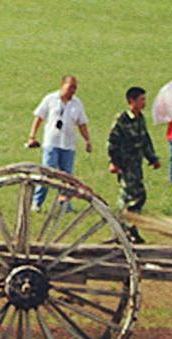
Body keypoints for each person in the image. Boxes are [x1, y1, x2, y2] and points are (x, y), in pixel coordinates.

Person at [26, 75, 91, 211]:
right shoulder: (50, 99)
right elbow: (39, 118)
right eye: (70, 87)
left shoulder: (77, 104)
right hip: (52, 142)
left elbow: (82, 124)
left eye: (75, 88)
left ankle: (65, 203)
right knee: (47, 172)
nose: (72, 90)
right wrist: (32, 136)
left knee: (66, 176)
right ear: (62, 85)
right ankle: (37, 202)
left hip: (68, 144)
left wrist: (87, 140)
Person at [106, 86, 160, 236]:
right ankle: (123, 228)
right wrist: (113, 162)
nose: (144, 103)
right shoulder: (122, 120)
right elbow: (112, 142)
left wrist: (152, 158)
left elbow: (145, 140)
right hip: (125, 164)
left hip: (136, 164)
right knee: (132, 194)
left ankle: (128, 227)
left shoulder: (140, 118)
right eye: (141, 99)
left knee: (135, 195)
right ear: (132, 101)